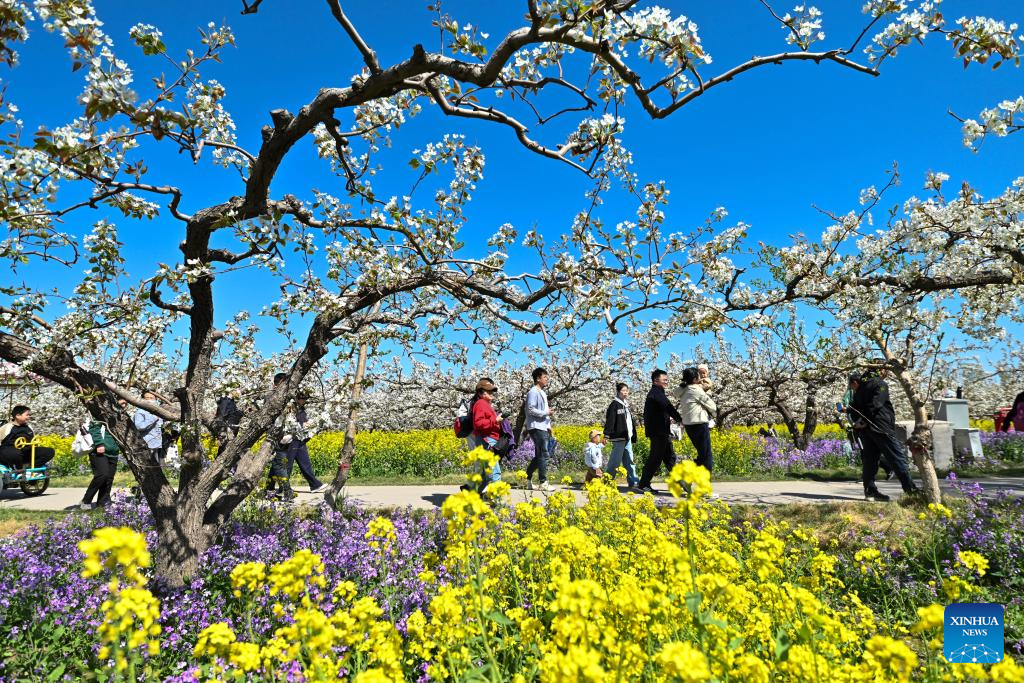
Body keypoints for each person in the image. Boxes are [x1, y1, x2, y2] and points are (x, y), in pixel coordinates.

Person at [847, 368, 918, 502]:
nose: (888, 373)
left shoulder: (860, 387)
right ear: (880, 370)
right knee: (897, 457)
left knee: (870, 460)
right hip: (880, 427)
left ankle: (870, 491)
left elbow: (853, 408)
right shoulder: (880, 384)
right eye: (886, 370)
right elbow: (876, 404)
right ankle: (911, 490)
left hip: (865, 430)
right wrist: (864, 420)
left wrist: (859, 422)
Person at [638, 369, 683, 494]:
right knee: (655, 458)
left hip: (662, 431)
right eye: (664, 380)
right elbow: (668, 406)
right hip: (658, 432)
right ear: (655, 380)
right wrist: (680, 419)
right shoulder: (656, 393)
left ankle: (682, 482)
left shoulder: (658, 392)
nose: (667, 382)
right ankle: (643, 484)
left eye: (667, 380)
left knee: (669, 457)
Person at [840, 374, 892, 479]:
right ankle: (870, 476)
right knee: (865, 451)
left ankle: (882, 470)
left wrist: (858, 418)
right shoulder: (851, 394)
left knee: (868, 451)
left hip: (864, 424)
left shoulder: (864, 393)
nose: (850, 387)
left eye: (851, 384)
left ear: (855, 383)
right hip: (856, 425)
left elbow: (867, 408)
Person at [81, 403, 125, 509]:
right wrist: (99, 443)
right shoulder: (102, 413)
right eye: (121, 402)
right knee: (102, 475)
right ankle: (86, 500)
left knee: (109, 478)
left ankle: (103, 502)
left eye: (125, 403)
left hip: (113, 452)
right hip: (99, 451)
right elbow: (94, 428)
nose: (123, 405)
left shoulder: (122, 416)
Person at [286, 392, 328, 493]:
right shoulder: (290, 407)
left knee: (305, 463)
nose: (304, 401)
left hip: (301, 439)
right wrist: (303, 424)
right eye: (302, 399)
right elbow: (289, 423)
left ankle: (315, 485)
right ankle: (281, 487)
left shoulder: (302, 408)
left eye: (305, 399)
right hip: (291, 439)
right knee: (288, 465)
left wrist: (310, 425)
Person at [678, 367, 716, 475]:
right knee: (707, 456)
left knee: (701, 454)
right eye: (698, 375)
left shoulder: (682, 389)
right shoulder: (696, 390)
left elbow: (675, 392)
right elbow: (712, 406)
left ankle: (687, 475)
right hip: (700, 423)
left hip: (688, 425)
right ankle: (704, 486)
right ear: (695, 379)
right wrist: (713, 414)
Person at [603, 383, 639, 488]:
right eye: (623, 390)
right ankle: (607, 481)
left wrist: (633, 435)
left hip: (626, 437)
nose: (625, 393)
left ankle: (633, 481)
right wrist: (606, 434)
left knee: (629, 460)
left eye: (627, 390)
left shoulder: (625, 405)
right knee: (615, 461)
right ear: (618, 392)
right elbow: (610, 420)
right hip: (619, 437)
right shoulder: (615, 404)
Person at [469, 378, 503, 492]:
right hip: (486, 440)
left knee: (484, 473)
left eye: (492, 391)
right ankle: (497, 502)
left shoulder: (485, 404)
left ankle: (475, 497)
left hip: (487, 439)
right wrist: (496, 421)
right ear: (480, 393)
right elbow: (479, 424)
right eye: (488, 391)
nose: (491, 393)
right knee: (494, 472)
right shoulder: (481, 404)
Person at [525, 367, 554, 492]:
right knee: (543, 454)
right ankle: (543, 481)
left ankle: (527, 478)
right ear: (538, 378)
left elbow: (545, 412)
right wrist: (545, 413)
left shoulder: (542, 392)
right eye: (544, 377)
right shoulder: (533, 392)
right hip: (536, 426)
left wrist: (548, 426)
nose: (547, 379)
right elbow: (531, 409)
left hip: (542, 426)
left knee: (540, 455)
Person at [0, 405, 55, 470]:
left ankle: (32, 469)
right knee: (16, 453)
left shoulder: (29, 427)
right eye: (27, 415)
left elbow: (33, 440)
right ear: (18, 416)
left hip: (26, 451)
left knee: (49, 451)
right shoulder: (7, 427)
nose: (29, 417)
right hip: (10, 452)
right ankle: (19, 470)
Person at [133, 390, 164, 466]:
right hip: (146, 443)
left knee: (157, 465)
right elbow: (139, 426)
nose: (150, 400)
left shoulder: (158, 410)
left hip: (157, 443)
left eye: (152, 398)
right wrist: (154, 418)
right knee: (150, 466)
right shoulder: (140, 412)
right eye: (147, 398)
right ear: (143, 399)